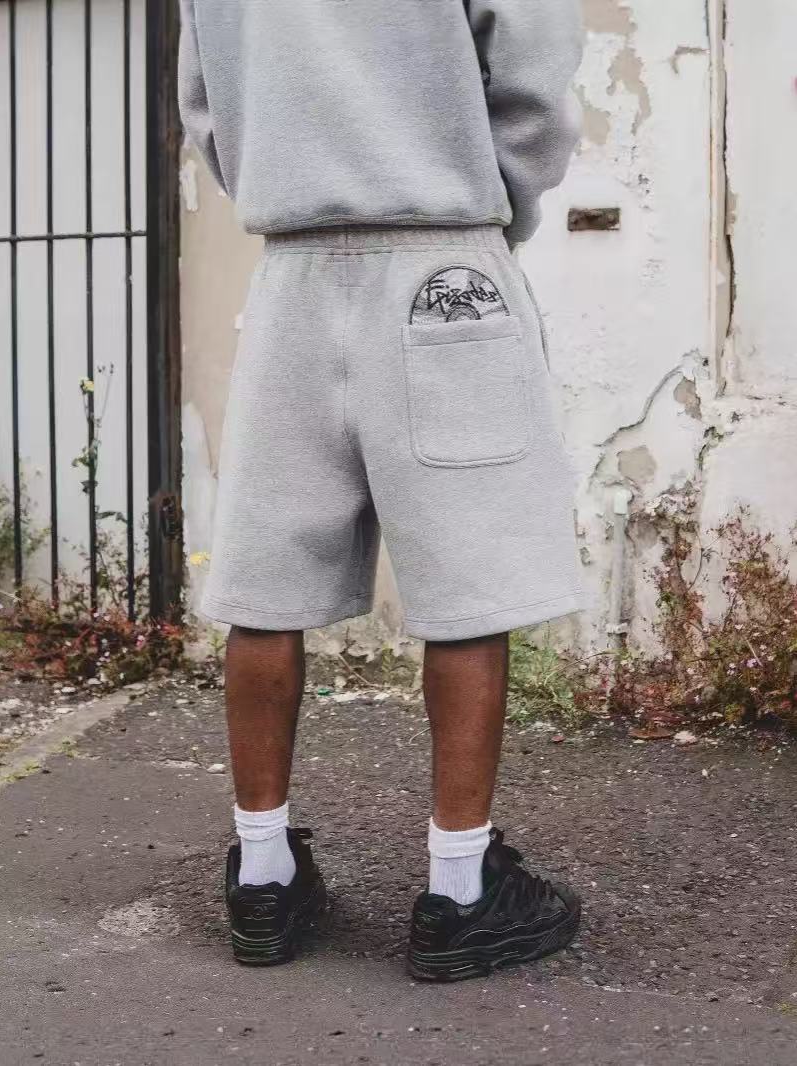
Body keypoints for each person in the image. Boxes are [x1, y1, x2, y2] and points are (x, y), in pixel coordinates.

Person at [179, 0, 584, 981]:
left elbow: (204, 105)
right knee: (468, 578)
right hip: (441, 249)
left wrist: (294, 183)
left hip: (291, 270)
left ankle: (262, 878)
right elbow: (531, 79)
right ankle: (459, 891)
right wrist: (481, 207)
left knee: (266, 583)